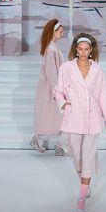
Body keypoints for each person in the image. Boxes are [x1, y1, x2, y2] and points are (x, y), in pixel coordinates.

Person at [53, 34, 106, 212]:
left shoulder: (98, 70)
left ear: (91, 51)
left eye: (87, 50)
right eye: (80, 49)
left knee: (87, 158)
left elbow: (103, 97)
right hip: (74, 118)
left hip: (93, 119)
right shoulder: (66, 68)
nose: (83, 53)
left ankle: (81, 199)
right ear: (76, 49)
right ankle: (85, 183)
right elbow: (58, 90)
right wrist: (63, 104)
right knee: (78, 159)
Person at [32, 19, 67, 154]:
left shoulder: (53, 47)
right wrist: (58, 91)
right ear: (54, 32)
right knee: (56, 116)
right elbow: (52, 72)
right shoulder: (52, 49)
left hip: (52, 88)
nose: (62, 34)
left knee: (53, 116)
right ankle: (58, 144)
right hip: (51, 89)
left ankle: (53, 143)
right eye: (60, 32)